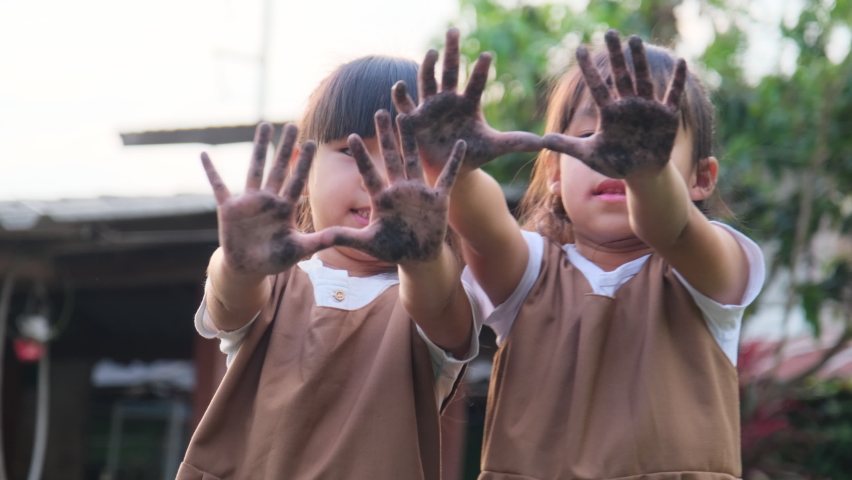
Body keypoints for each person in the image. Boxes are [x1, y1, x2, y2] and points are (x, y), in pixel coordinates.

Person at [394, 30, 765, 479]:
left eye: (648, 141)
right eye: (591, 135)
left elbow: (673, 227)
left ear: (701, 179)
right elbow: (486, 230)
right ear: (553, 169)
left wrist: (645, 171)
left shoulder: (709, 270)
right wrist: (456, 169)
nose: (614, 154)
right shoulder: (531, 271)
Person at [177, 56, 479, 480]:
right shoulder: (272, 283)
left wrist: (422, 253)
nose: (378, 178)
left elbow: (442, 303)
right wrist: (238, 261)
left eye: (405, 157)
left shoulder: (432, 296)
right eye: (352, 152)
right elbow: (228, 300)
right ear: (304, 166)